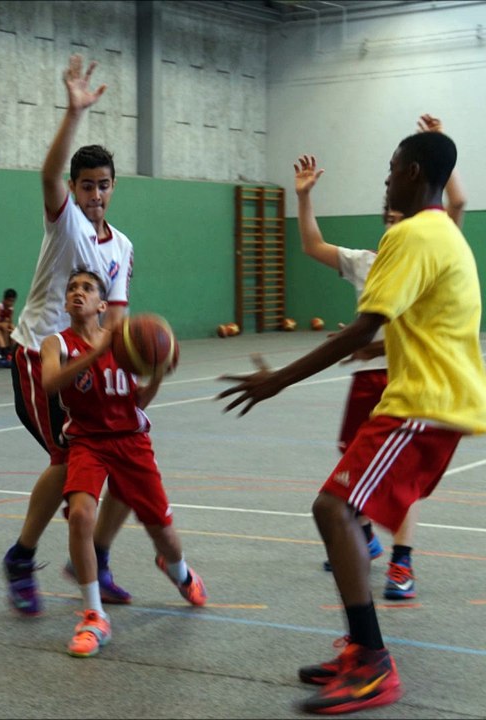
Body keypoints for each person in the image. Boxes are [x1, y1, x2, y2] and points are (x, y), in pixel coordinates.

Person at [219, 130, 486, 714]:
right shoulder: (440, 234)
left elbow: (364, 329)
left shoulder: (414, 234)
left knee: (333, 508)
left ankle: (373, 662)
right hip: (421, 401)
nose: (386, 179)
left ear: (414, 172)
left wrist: (275, 382)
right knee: (339, 509)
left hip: (425, 405)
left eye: (392, 169)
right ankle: (362, 647)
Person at [295, 114, 467, 601]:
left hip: (412, 380)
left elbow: (458, 201)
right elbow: (310, 244)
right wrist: (305, 196)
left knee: (393, 478)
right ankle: (362, 537)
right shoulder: (366, 261)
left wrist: (436, 145)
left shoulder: (431, 242)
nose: (395, 221)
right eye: (388, 219)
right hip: (370, 377)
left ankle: (402, 561)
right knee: (353, 463)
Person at [3, 55, 137, 616]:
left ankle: (96, 557)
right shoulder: (67, 222)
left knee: (130, 457)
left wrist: (129, 368)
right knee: (67, 459)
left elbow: (118, 317)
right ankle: (21, 555)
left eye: (103, 186)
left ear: (112, 187)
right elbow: (48, 175)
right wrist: (73, 112)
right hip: (40, 356)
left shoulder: (122, 245)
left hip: (89, 362)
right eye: (86, 186)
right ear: (76, 189)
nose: (95, 195)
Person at [42, 269, 206, 658]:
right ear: (66, 302)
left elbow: (136, 406)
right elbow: (51, 384)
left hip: (132, 442)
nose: (77, 293)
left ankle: (178, 570)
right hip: (88, 442)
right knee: (80, 515)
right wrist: (96, 354)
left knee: (164, 534)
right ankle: (94, 615)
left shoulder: (126, 342)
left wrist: (159, 375)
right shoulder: (57, 344)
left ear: (103, 305)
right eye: (72, 288)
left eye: (87, 288)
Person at [0, 288, 17, 364]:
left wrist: (15, 330)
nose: (10, 303)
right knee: (5, 327)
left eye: (12, 301)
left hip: (2, 327)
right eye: (9, 301)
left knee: (14, 333)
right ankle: (5, 352)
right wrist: (6, 324)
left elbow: (10, 323)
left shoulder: (11, 309)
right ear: (4, 299)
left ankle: (12, 354)